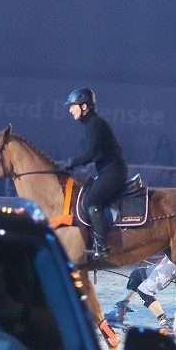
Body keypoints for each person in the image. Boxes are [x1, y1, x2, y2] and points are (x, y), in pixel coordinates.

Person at [60, 88, 128, 259]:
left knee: (91, 200)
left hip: (114, 172)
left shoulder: (94, 123)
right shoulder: (92, 123)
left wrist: (72, 162)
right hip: (108, 170)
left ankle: (102, 245)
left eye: (72, 106)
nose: (70, 110)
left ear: (84, 106)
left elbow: (91, 152)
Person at [104, 256, 176, 333]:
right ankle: (117, 312)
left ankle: (164, 323)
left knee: (144, 291)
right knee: (137, 274)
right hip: (171, 256)